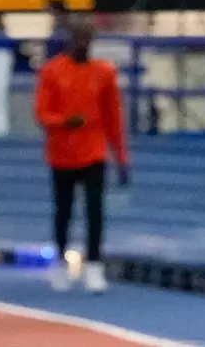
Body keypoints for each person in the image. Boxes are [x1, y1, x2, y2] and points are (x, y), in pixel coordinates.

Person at [34, 19, 128, 293]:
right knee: (63, 210)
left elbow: (114, 117)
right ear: (69, 40)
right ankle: (61, 263)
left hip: (93, 151)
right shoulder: (52, 72)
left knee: (95, 209)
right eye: (78, 39)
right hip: (61, 154)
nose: (83, 44)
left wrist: (121, 156)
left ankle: (94, 266)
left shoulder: (104, 73)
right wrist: (64, 121)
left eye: (88, 39)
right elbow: (41, 112)